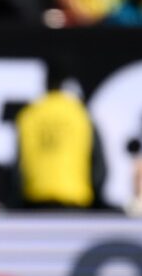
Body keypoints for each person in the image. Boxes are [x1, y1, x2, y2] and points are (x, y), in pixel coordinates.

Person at [14, 62, 103, 208]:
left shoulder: (29, 114)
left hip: (35, 201)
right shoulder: (80, 114)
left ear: (45, 82)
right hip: (75, 201)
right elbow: (99, 167)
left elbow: (17, 168)